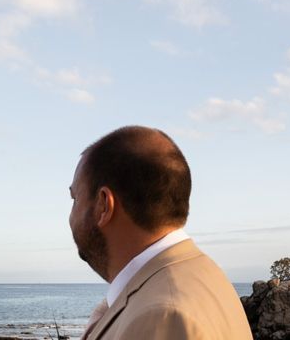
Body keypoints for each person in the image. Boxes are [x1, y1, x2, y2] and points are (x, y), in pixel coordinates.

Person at [69, 126, 252, 340]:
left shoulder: (163, 316)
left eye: (75, 199)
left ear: (103, 205)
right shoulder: (200, 274)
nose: (71, 215)